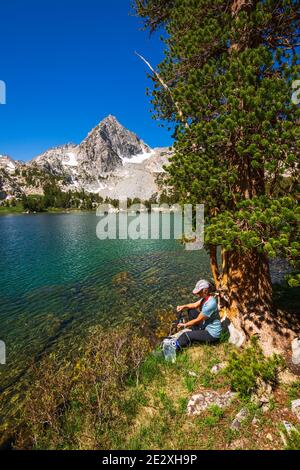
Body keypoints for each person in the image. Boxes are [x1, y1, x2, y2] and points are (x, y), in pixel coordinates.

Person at [175, 279, 222, 348]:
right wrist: (183, 306)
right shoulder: (206, 297)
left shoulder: (210, 304)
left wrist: (185, 325)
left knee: (185, 335)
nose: (197, 294)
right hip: (206, 326)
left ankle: (173, 348)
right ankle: (196, 333)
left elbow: (198, 320)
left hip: (212, 335)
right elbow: (194, 305)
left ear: (205, 290)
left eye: (199, 292)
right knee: (191, 310)